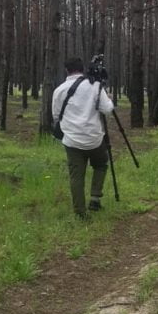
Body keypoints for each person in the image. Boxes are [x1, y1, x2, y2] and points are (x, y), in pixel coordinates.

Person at [52, 56, 114, 218]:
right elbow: (107, 109)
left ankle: (80, 212)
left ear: (67, 70)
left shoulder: (59, 90)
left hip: (72, 141)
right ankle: (95, 197)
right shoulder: (95, 86)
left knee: (76, 176)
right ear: (82, 69)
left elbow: (56, 115)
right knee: (101, 165)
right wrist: (109, 100)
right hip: (94, 139)